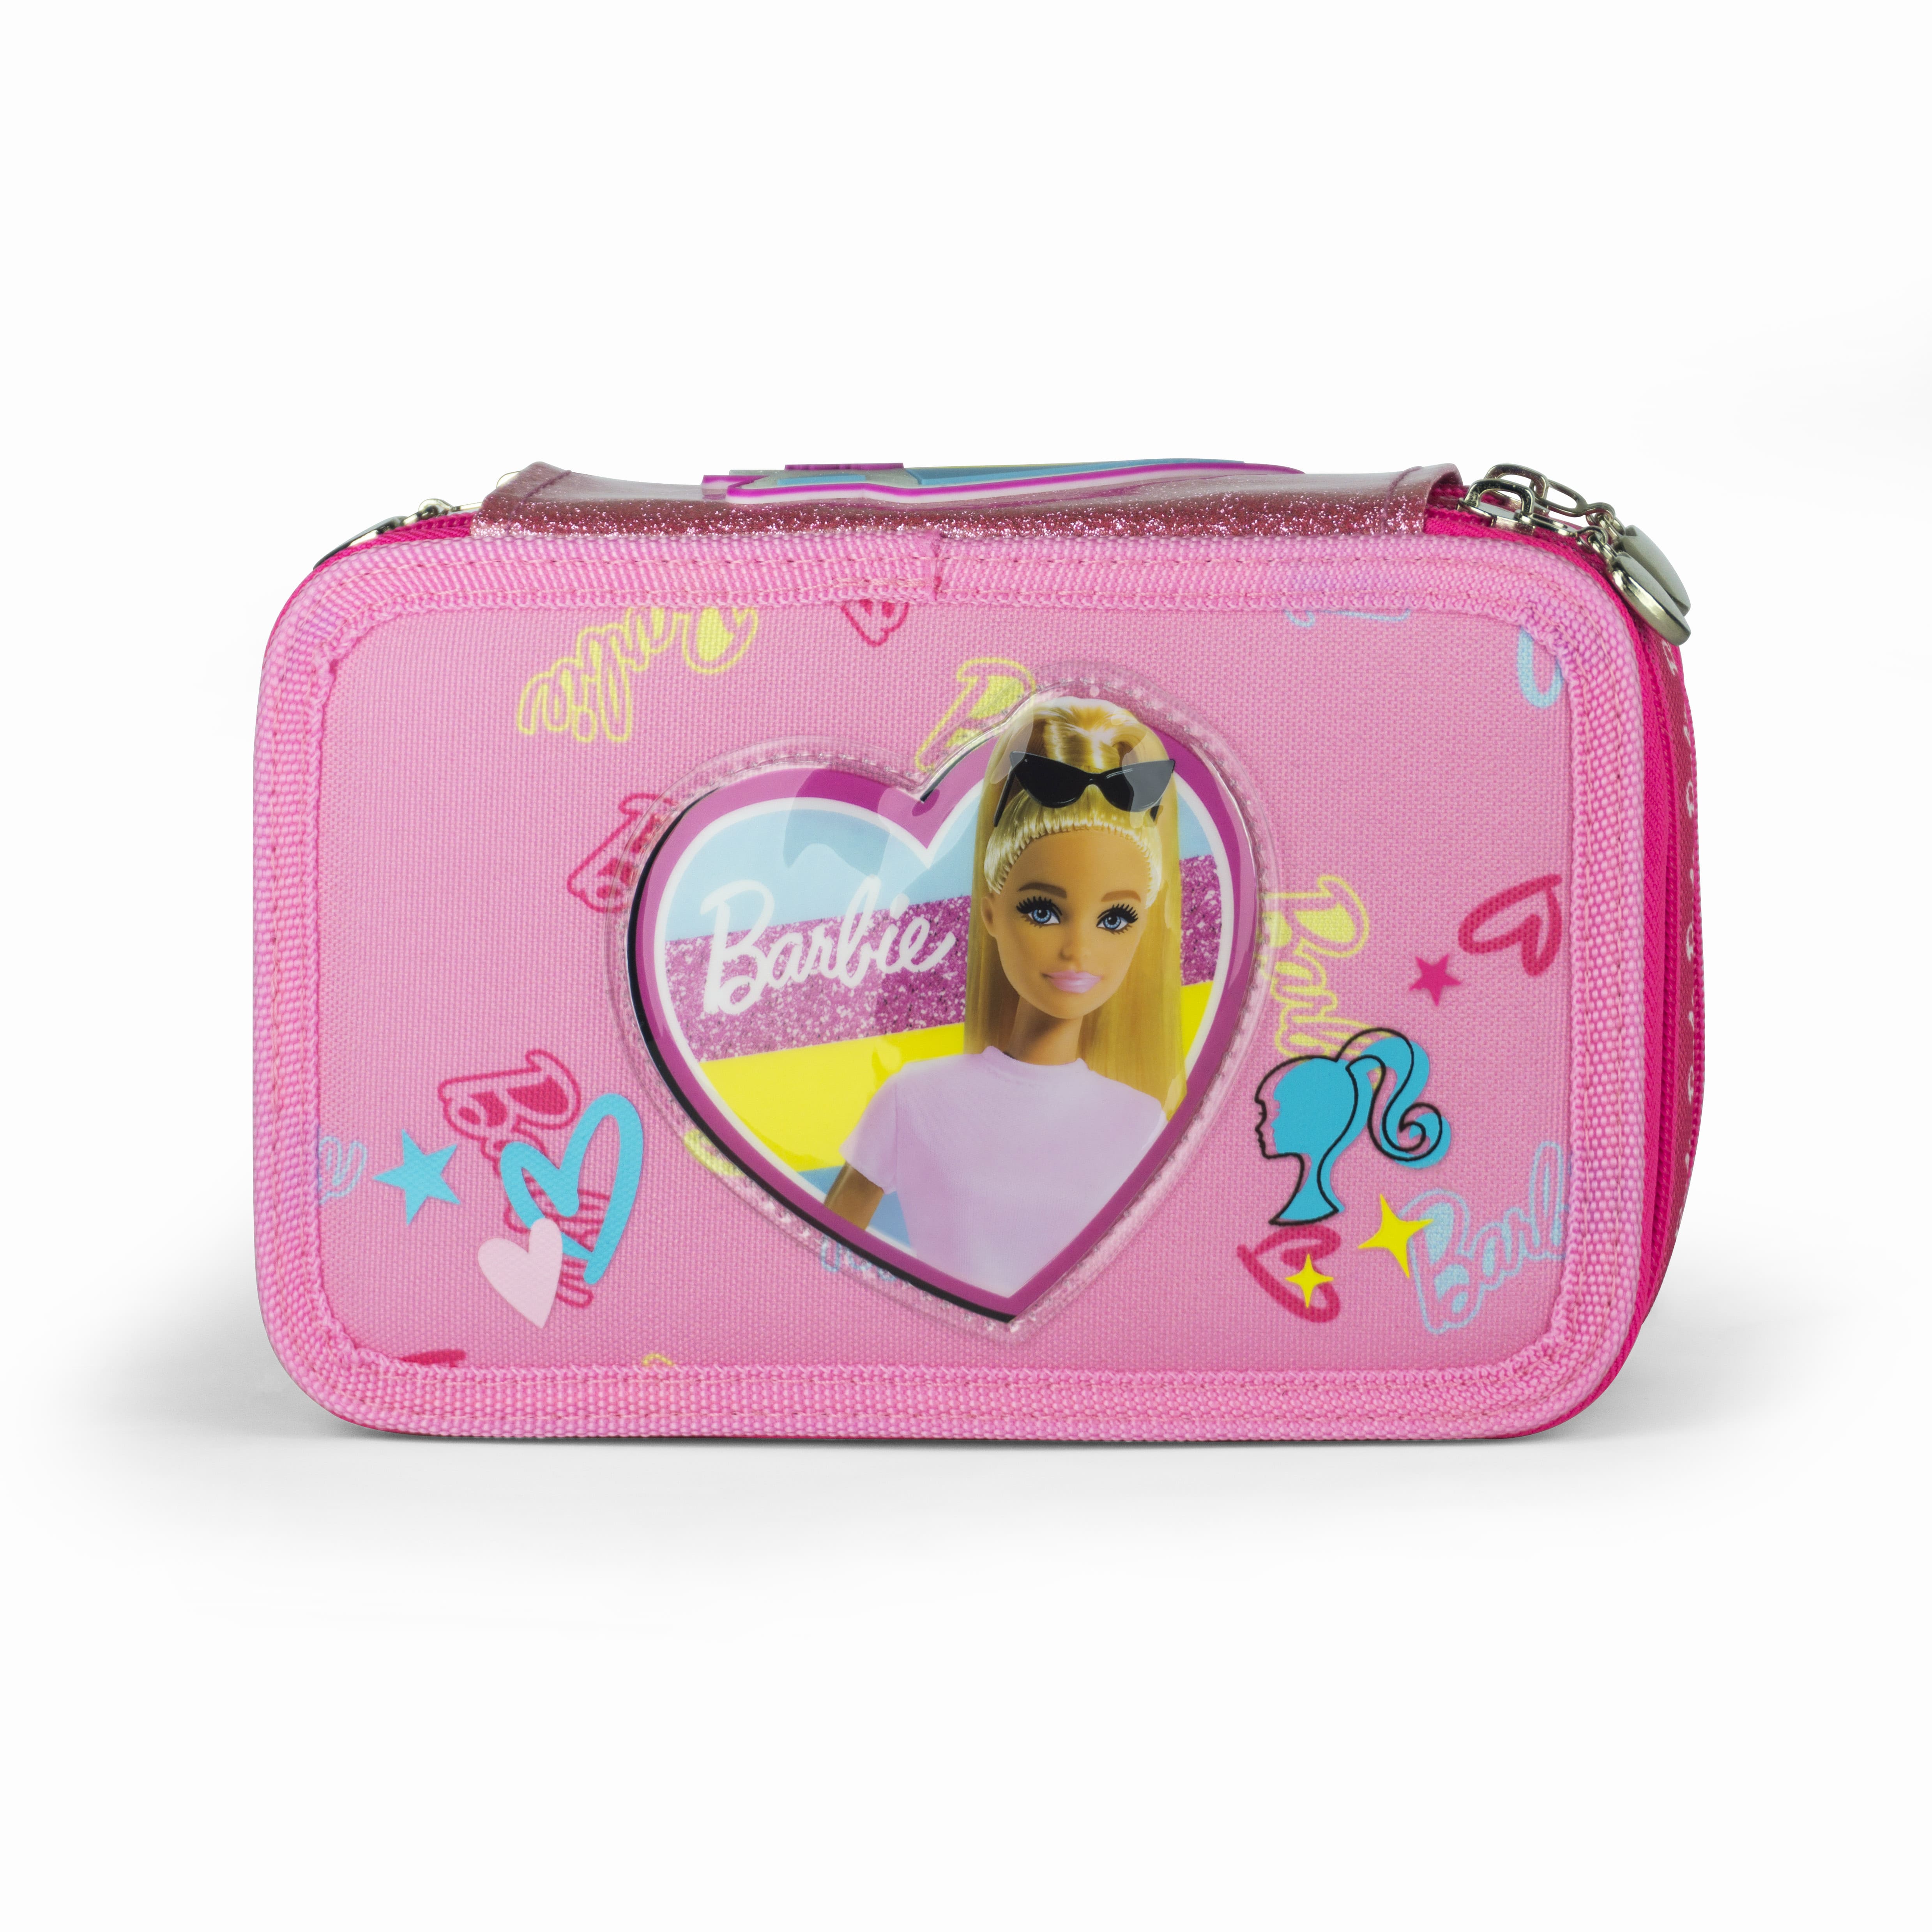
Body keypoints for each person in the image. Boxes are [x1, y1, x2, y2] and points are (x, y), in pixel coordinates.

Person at [822, 696, 1186, 1296]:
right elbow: (821, 1257)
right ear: (991, 912)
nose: (1077, 950)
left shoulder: (1142, 1122)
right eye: (1042, 910)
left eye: (1115, 919)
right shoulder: (914, 1099)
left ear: (1143, 926)